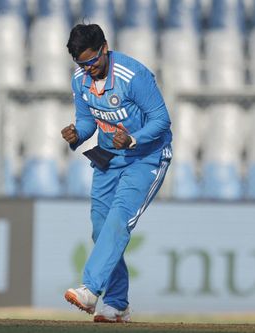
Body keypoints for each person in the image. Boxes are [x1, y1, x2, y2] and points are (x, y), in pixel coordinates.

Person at [61, 23, 173, 323]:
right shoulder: (80, 79)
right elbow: (87, 121)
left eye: (92, 61)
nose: (89, 69)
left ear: (105, 48)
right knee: (100, 228)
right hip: (109, 157)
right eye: (81, 64)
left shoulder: (132, 75)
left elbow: (162, 119)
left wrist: (134, 139)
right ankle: (117, 303)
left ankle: (90, 290)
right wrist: (77, 134)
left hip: (146, 157)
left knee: (119, 218)